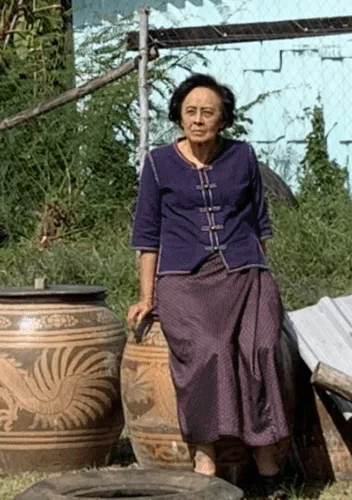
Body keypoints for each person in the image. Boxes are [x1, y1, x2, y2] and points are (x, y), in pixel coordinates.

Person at [126, 74, 289, 499]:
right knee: (210, 346)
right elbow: (147, 236)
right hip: (183, 278)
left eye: (208, 113)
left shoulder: (243, 157)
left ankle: (265, 455)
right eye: (190, 112)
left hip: (245, 271)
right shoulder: (159, 162)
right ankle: (204, 453)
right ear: (179, 116)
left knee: (263, 346)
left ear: (223, 120)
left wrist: (262, 277)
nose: (198, 120)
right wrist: (147, 297)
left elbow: (259, 223)